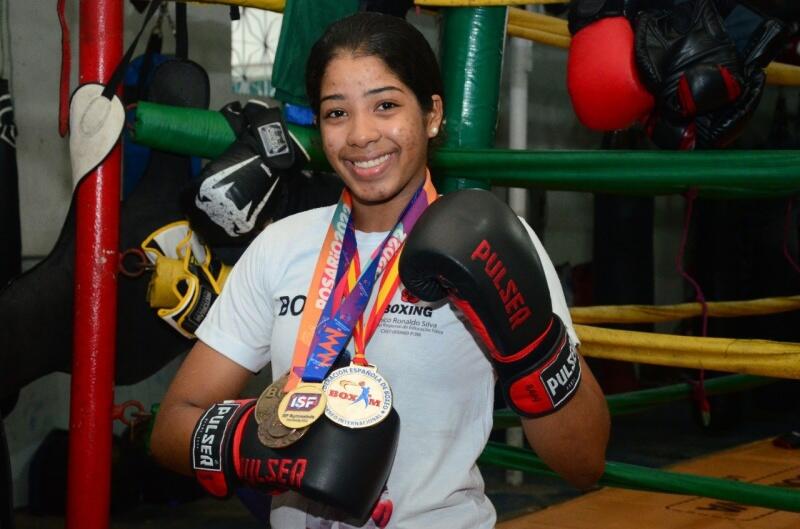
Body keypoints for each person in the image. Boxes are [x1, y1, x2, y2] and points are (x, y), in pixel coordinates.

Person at [151, 11, 610, 529]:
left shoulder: (495, 244)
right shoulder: (281, 245)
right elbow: (171, 427)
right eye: (336, 113)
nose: (361, 135)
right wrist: (246, 443)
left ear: (432, 114)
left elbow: (584, 460)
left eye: (386, 105)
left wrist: (530, 348)